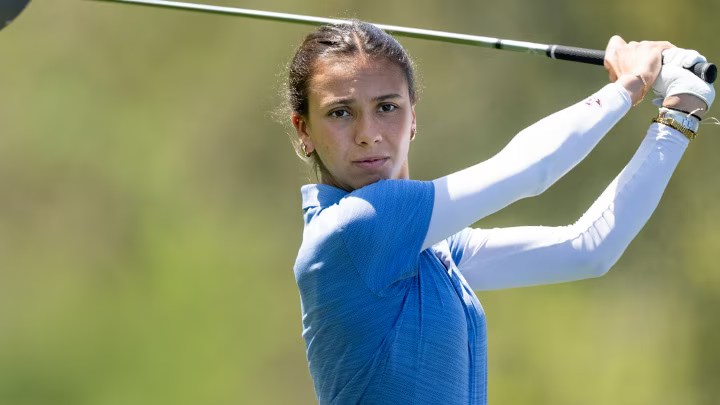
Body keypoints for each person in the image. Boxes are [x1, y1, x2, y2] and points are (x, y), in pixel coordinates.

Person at [286, 20, 714, 404]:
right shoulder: (352, 229)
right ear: (304, 130)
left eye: (387, 107)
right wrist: (630, 85)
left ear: (413, 116)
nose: (368, 134)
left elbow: (588, 249)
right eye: (340, 113)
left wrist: (679, 115)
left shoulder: (429, 249)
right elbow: (529, 169)